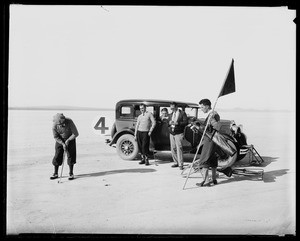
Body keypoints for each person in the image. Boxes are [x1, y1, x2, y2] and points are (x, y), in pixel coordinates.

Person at [196, 99, 220, 187]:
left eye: (202, 107)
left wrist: (201, 127)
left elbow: (216, 126)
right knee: (213, 159)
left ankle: (206, 181)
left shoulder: (212, 114)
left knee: (204, 160)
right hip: (214, 140)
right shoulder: (214, 113)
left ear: (206, 106)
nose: (201, 109)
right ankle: (214, 179)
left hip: (209, 140)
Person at [51, 113, 79, 180]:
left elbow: (76, 133)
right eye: (59, 124)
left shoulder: (69, 121)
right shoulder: (54, 126)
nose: (60, 125)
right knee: (57, 155)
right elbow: (55, 137)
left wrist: (68, 140)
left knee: (71, 155)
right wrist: (62, 143)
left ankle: (71, 173)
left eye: (61, 122)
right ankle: (55, 173)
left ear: (64, 119)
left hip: (70, 138)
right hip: (60, 140)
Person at [168, 102, 188, 170]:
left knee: (179, 148)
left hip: (179, 133)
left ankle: (181, 164)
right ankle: (176, 162)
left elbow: (186, 122)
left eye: (173, 108)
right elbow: (168, 123)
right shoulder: (170, 114)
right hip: (172, 133)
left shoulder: (182, 113)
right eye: (171, 108)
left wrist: (178, 123)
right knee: (173, 148)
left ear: (176, 107)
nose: (172, 109)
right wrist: (169, 123)